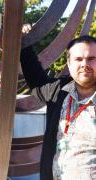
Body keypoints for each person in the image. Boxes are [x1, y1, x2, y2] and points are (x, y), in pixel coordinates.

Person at [20, 35, 96, 179]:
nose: (84, 64)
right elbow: (36, 79)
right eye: (78, 59)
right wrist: (25, 43)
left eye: (91, 59)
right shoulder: (59, 91)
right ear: (69, 63)